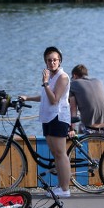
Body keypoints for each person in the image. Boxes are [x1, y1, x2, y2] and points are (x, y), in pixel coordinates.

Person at [17, 46, 72, 198]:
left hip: (58, 118)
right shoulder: (51, 78)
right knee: (55, 153)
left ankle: (65, 189)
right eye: (49, 60)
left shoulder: (62, 77)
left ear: (59, 61)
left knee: (61, 154)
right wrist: (28, 98)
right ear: (45, 62)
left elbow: (54, 100)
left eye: (55, 60)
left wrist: (45, 83)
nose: (52, 62)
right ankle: (60, 185)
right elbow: (45, 96)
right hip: (48, 118)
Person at [68, 64, 104, 133]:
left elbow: (73, 109)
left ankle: (80, 143)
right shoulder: (98, 81)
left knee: (80, 127)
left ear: (74, 76)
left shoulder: (72, 84)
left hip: (90, 129)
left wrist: (71, 129)